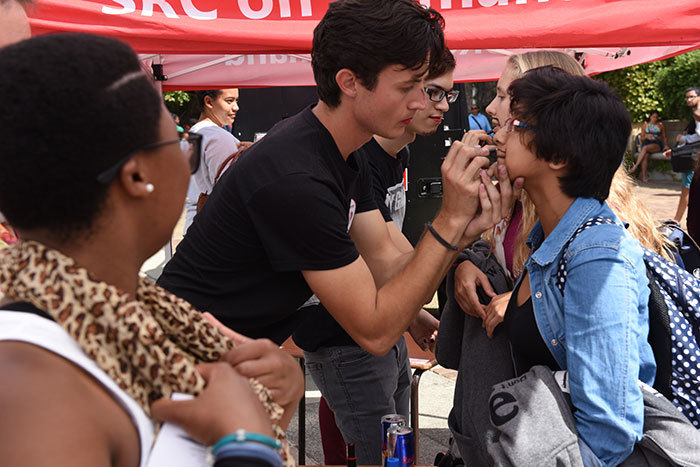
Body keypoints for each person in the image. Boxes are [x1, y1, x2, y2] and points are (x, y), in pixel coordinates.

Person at [159, 0, 515, 432]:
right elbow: (377, 330)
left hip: (217, 367)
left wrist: (459, 234)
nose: (424, 101)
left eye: (429, 86)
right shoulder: (298, 175)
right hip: (175, 376)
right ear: (349, 81)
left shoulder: (339, 151)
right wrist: (450, 221)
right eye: (409, 87)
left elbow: (387, 264)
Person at [0, 33, 304, 467]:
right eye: (182, 145)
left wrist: (277, 396)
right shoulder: (32, 389)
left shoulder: (130, 320)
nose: (188, 159)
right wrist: (246, 441)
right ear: (138, 176)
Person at [295, 48, 458, 464]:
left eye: (445, 96)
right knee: (380, 446)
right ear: (352, 85)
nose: (431, 105)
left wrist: (413, 310)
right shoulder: (342, 157)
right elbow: (385, 261)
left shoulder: (385, 156)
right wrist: (459, 226)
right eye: (423, 91)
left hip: (371, 322)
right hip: (342, 329)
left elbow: (389, 254)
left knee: (392, 442)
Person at [184, 89, 243, 232]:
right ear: (209, 102)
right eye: (229, 101)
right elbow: (232, 192)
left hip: (195, 224)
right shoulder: (217, 137)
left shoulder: (193, 134)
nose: (236, 107)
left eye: (236, 101)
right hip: (215, 229)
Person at [666, 86, 700, 226]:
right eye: (687, 97)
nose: (688, 100)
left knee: (687, 189)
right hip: (693, 156)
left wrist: (683, 139)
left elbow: (699, 136)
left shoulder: (698, 114)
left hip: (694, 158)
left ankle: (677, 221)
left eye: (692, 96)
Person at [628, 110, 668, 182]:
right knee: (645, 155)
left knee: (645, 148)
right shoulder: (645, 125)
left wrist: (665, 145)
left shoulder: (660, 125)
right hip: (646, 143)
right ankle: (644, 177)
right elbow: (642, 139)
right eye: (653, 117)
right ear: (650, 117)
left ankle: (635, 167)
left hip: (656, 144)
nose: (655, 119)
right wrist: (646, 136)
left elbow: (664, 137)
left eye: (656, 117)